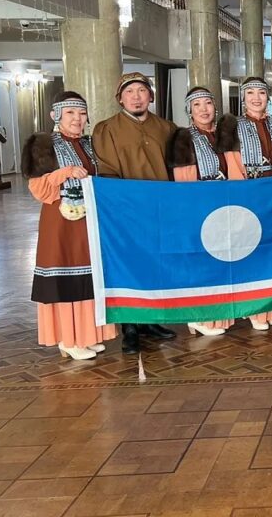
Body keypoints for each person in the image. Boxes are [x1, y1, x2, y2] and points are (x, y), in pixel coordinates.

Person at [22, 92, 118, 360]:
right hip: (60, 223)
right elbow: (37, 188)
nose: (77, 119)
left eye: (82, 113)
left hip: (89, 220)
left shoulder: (89, 144)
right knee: (65, 276)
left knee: (90, 275)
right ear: (56, 116)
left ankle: (87, 335)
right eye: (70, 113)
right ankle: (67, 338)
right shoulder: (43, 145)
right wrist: (63, 173)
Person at [92, 72, 177, 354]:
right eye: (130, 92)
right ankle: (129, 327)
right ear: (120, 98)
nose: (136, 97)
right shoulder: (107, 129)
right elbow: (106, 171)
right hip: (125, 211)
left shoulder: (167, 128)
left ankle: (151, 319)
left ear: (150, 96)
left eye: (142, 90)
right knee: (126, 267)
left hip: (160, 210)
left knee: (155, 264)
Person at [216, 77, 272, 331]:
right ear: (243, 97)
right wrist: (242, 195)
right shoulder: (232, 125)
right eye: (250, 93)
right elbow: (231, 161)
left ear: (268, 97)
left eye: (261, 92)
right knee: (251, 249)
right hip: (248, 192)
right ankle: (254, 309)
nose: (256, 98)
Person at [169, 86, 245, 336]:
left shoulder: (225, 135)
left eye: (208, 103)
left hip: (227, 205)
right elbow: (184, 182)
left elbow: (236, 169)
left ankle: (221, 315)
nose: (203, 109)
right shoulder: (183, 138)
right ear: (189, 110)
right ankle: (199, 317)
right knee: (202, 264)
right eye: (197, 105)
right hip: (201, 207)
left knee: (223, 262)